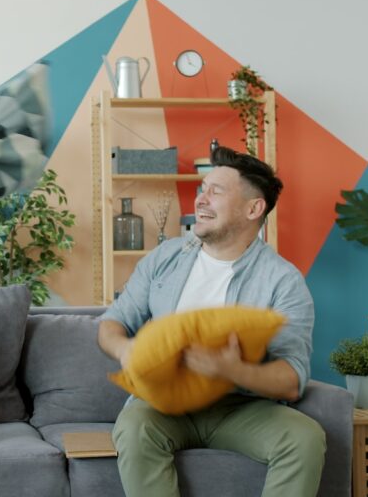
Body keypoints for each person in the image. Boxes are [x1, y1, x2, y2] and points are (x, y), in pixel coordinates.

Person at [97, 146, 326, 497]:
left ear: (253, 208)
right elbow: (112, 323)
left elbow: (292, 379)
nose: (200, 200)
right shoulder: (165, 258)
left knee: (304, 437)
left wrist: (234, 371)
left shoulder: (283, 281)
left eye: (215, 192)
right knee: (134, 425)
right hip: (164, 403)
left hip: (240, 407)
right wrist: (126, 350)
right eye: (202, 189)